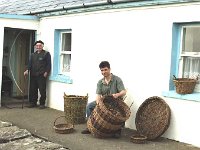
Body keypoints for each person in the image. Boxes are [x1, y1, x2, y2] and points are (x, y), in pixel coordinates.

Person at [81, 61, 126, 137]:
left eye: (105, 69)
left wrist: (118, 94)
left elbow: (124, 91)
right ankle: (90, 126)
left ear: (109, 69)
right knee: (89, 106)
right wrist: (99, 104)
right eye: (102, 70)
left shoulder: (117, 79)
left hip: (115, 103)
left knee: (119, 112)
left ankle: (118, 130)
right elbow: (98, 95)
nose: (104, 72)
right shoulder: (100, 82)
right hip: (104, 102)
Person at [24, 40, 51, 109]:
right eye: (37, 46)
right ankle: (33, 103)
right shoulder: (32, 55)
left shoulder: (46, 54)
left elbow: (48, 64)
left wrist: (46, 72)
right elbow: (30, 64)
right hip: (33, 75)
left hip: (41, 75)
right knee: (33, 89)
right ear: (35, 47)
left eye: (40, 45)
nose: (38, 47)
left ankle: (42, 104)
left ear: (42, 46)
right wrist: (27, 70)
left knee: (42, 90)